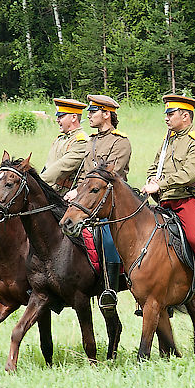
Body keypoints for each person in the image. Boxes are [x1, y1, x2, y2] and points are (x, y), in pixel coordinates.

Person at [142, 94, 195, 312]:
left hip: (188, 200)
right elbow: (154, 167)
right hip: (165, 200)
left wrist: (160, 185)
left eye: (170, 114)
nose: (166, 118)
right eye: (166, 114)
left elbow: (190, 173)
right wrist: (151, 180)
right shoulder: (168, 140)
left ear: (185, 116)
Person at [65, 94, 132, 309]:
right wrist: (76, 191)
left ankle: (110, 288)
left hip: (111, 199)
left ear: (106, 114)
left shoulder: (120, 142)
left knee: (108, 238)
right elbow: (84, 174)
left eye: (93, 112)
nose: (89, 116)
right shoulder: (91, 141)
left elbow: (113, 173)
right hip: (88, 196)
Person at [40, 98, 88, 196]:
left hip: (63, 196)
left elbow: (62, 167)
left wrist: (38, 183)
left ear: (74, 117)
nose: (57, 120)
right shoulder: (60, 139)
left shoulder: (81, 141)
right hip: (50, 191)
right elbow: (48, 167)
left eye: (61, 116)